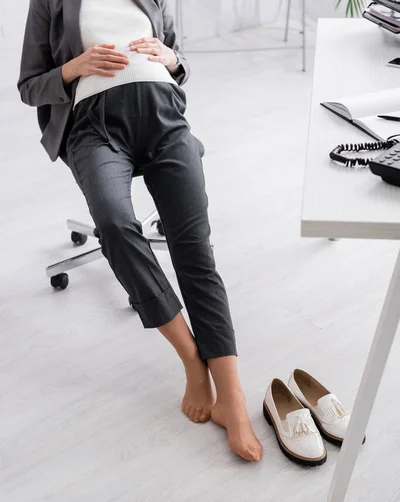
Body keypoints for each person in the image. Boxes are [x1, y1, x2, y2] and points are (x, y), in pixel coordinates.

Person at [17, 0, 263, 462]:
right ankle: (192, 358)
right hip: (94, 127)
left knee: (194, 247)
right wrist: (73, 67)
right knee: (113, 225)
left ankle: (232, 396)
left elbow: (178, 60)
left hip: (164, 115)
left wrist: (172, 60)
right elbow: (29, 87)